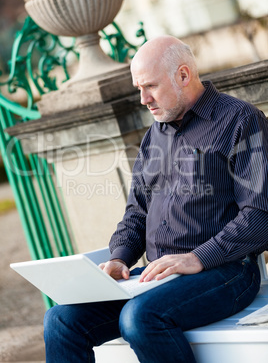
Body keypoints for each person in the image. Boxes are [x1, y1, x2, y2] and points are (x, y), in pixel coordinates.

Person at [44, 36, 268, 362]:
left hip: (227, 271)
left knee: (139, 317)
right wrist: (119, 258)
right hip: (157, 278)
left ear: (183, 75)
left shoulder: (241, 121)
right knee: (60, 319)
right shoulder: (155, 135)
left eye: (150, 86)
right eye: (138, 88)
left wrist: (197, 257)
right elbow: (137, 211)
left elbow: (261, 213)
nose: (142, 99)